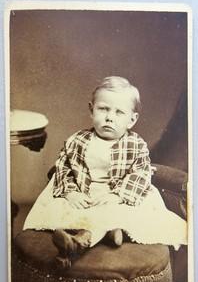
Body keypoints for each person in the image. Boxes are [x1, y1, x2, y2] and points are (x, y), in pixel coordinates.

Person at [23, 76, 187, 268]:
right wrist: (71, 192)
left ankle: (82, 242)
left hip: (119, 196)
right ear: (91, 110)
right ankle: (109, 234)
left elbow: (140, 174)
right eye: (103, 109)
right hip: (86, 193)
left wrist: (118, 195)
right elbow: (63, 166)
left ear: (131, 120)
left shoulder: (135, 145)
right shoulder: (78, 140)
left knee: (124, 212)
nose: (110, 117)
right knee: (67, 207)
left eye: (119, 112)